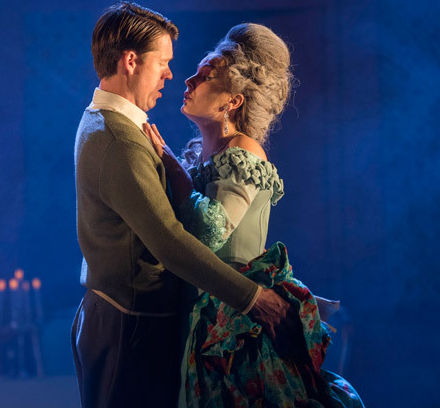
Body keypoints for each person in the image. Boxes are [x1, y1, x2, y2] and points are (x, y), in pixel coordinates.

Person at [72, 2, 297, 408]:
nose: (175, 76)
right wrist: (253, 298)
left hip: (211, 327)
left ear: (234, 101)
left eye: (202, 72)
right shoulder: (120, 136)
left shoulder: (120, 127)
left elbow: (202, 230)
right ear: (130, 61)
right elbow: (170, 240)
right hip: (135, 324)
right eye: (165, 62)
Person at [144, 23, 364, 407]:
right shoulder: (201, 156)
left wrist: (174, 172)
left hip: (237, 329)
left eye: (206, 74)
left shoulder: (245, 149)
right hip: (201, 314)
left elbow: (210, 232)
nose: (189, 79)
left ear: (233, 101)